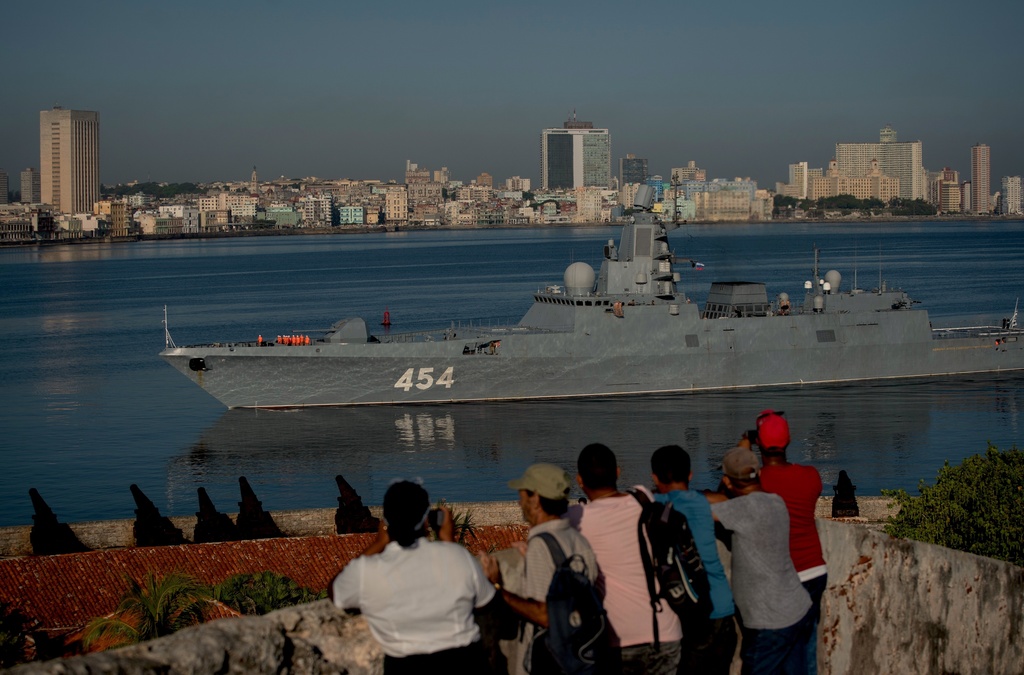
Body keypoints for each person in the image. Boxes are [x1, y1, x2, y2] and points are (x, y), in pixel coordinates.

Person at [329, 480, 495, 673]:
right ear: (426, 521)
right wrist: (448, 541)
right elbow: (486, 603)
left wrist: (378, 543)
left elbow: (336, 591)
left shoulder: (369, 570)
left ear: (386, 522)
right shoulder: (457, 556)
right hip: (466, 663)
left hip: (406, 666)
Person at [567, 443, 682, 674]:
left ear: (580, 480)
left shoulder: (576, 519)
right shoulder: (643, 497)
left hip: (618, 639)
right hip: (664, 630)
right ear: (618, 472)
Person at [479, 463, 599, 675]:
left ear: (535, 499)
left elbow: (544, 615)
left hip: (547, 660)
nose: (519, 500)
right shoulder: (578, 540)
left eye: (523, 493)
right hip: (579, 654)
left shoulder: (541, 547)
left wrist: (496, 585)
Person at [709, 446, 813, 675]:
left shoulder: (741, 509)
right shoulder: (775, 501)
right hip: (797, 609)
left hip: (768, 621)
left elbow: (701, 510)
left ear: (727, 481)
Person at [746, 410, 827, 673]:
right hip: (814, 573)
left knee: (763, 662)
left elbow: (731, 486)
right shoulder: (811, 476)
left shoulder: (753, 483)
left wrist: (743, 449)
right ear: (789, 440)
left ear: (758, 442)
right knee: (805, 651)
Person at [650, 445, 737, 675]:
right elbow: (728, 497)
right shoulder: (703, 502)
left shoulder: (652, 508)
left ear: (654, 477)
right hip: (721, 605)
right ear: (690, 475)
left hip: (687, 611)